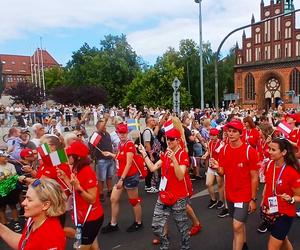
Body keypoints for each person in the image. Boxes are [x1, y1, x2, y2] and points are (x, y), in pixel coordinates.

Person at [210, 120, 259, 250]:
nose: (230, 134)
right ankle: (244, 245)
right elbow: (222, 172)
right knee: (240, 224)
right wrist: (216, 168)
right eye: (229, 131)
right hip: (230, 194)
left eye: (234, 131)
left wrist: (253, 199)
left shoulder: (250, 151)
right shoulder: (224, 149)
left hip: (244, 195)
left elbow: (255, 177)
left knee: (236, 226)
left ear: (240, 133)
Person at [139, 128, 191, 250]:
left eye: (172, 139)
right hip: (164, 194)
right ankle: (165, 244)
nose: (169, 141)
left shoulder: (182, 154)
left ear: (178, 140)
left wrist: (174, 160)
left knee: (181, 226)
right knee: (156, 225)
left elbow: (180, 176)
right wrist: (144, 154)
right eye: (168, 139)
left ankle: (185, 247)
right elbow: (152, 168)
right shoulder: (166, 152)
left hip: (178, 196)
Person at [59, 140, 104, 250]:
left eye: (70, 155)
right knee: (93, 246)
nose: (67, 156)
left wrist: (79, 188)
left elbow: (92, 199)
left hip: (91, 218)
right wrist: (65, 177)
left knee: (82, 247)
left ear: (77, 157)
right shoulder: (76, 169)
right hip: (83, 216)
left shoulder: (87, 171)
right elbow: (74, 191)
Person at [0, 177, 67, 250]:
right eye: (25, 198)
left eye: (29, 200)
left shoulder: (51, 238)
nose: (23, 203)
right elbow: (24, 243)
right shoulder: (34, 218)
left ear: (45, 205)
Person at [101, 123, 143, 234]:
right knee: (114, 199)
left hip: (129, 176)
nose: (122, 135)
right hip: (122, 176)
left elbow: (129, 164)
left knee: (134, 201)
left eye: (124, 133)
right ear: (118, 133)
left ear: (127, 133)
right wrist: (110, 154)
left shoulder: (129, 144)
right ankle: (113, 224)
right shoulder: (121, 144)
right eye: (120, 133)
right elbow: (120, 157)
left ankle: (138, 222)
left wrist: (121, 180)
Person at [260, 138, 300, 250]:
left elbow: (299, 196)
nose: (270, 152)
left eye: (273, 150)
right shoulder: (269, 165)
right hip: (269, 210)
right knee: (283, 239)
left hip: (284, 214)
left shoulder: (292, 171)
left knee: (272, 247)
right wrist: (263, 202)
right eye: (269, 149)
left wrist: (291, 199)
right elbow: (268, 185)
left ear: (284, 152)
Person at [90, 118, 115, 202]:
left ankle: (109, 190)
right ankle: (100, 193)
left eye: (104, 125)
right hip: (101, 160)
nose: (104, 126)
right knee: (101, 179)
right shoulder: (95, 135)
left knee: (109, 176)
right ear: (98, 126)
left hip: (110, 159)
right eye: (102, 125)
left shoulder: (107, 134)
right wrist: (94, 157)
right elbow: (91, 146)